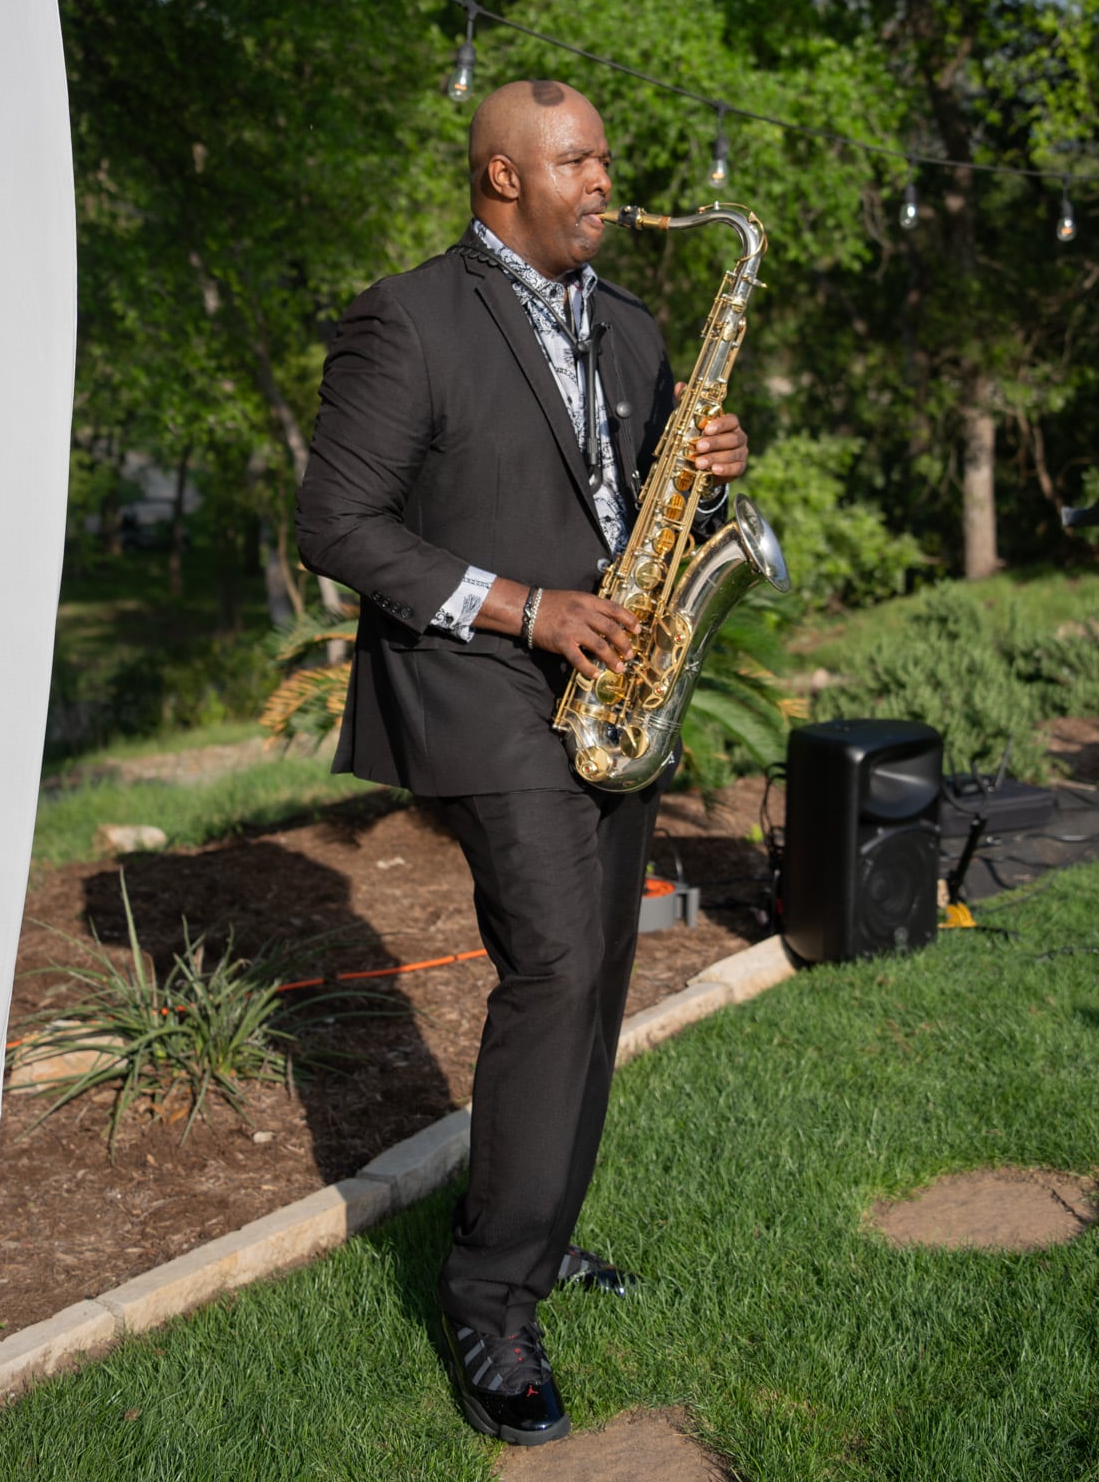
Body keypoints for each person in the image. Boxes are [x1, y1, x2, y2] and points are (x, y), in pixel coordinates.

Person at [295, 78, 749, 1447]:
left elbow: (648, 494)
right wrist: (523, 606)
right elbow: (335, 523)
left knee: (598, 970)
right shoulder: (408, 318)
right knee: (553, 963)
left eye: (605, 158)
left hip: (618, 678)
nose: (607, 183)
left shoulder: (630, 322)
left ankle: (538, 1237)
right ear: (501, 179)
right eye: (577, 163)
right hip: (480, 679)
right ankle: (490, 1302)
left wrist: (718, 468)